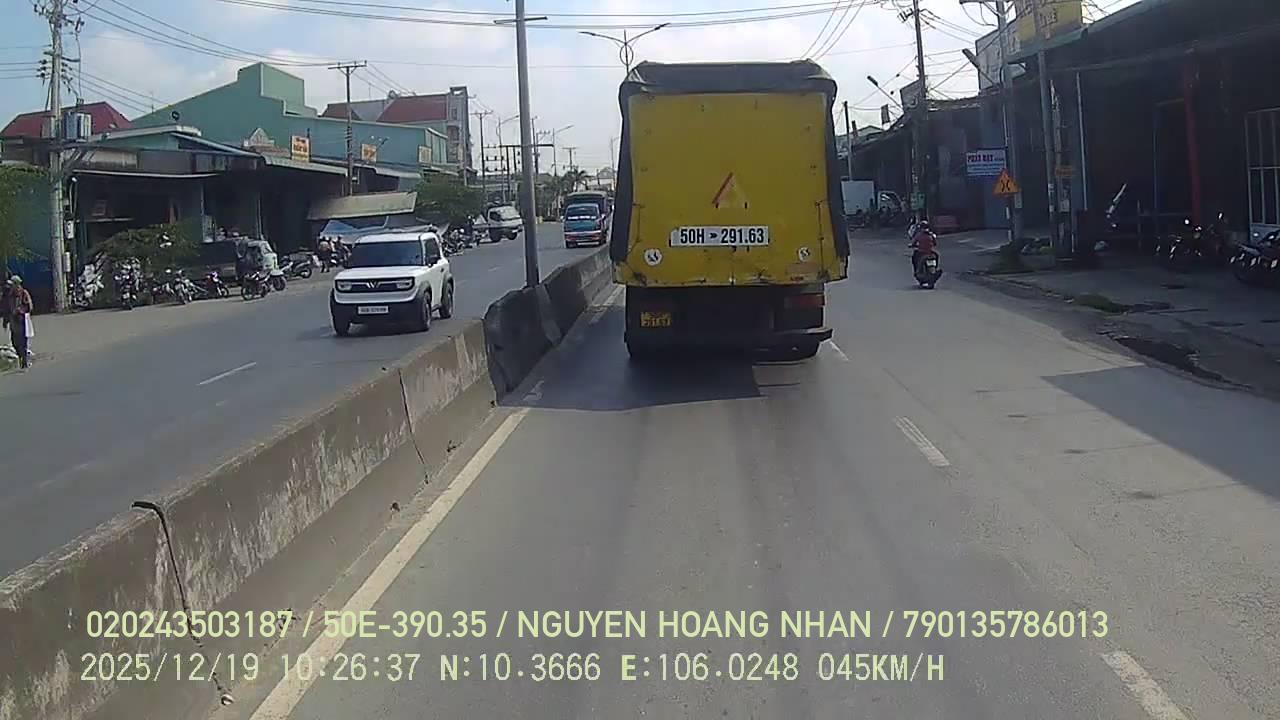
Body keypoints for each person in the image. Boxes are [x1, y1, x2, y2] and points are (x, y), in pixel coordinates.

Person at [3, 275, 34, 370]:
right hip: (13, 322)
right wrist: (5, 321)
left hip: (22, 320)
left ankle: (24, 361)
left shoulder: (24, 293)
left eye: (12, 285)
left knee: (22, 342)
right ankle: (21, 357)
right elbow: (7, 309)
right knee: (14, 342)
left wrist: (20, 310)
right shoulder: (9, 295)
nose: (10, 287)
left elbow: (29, 306)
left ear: (17, 284)